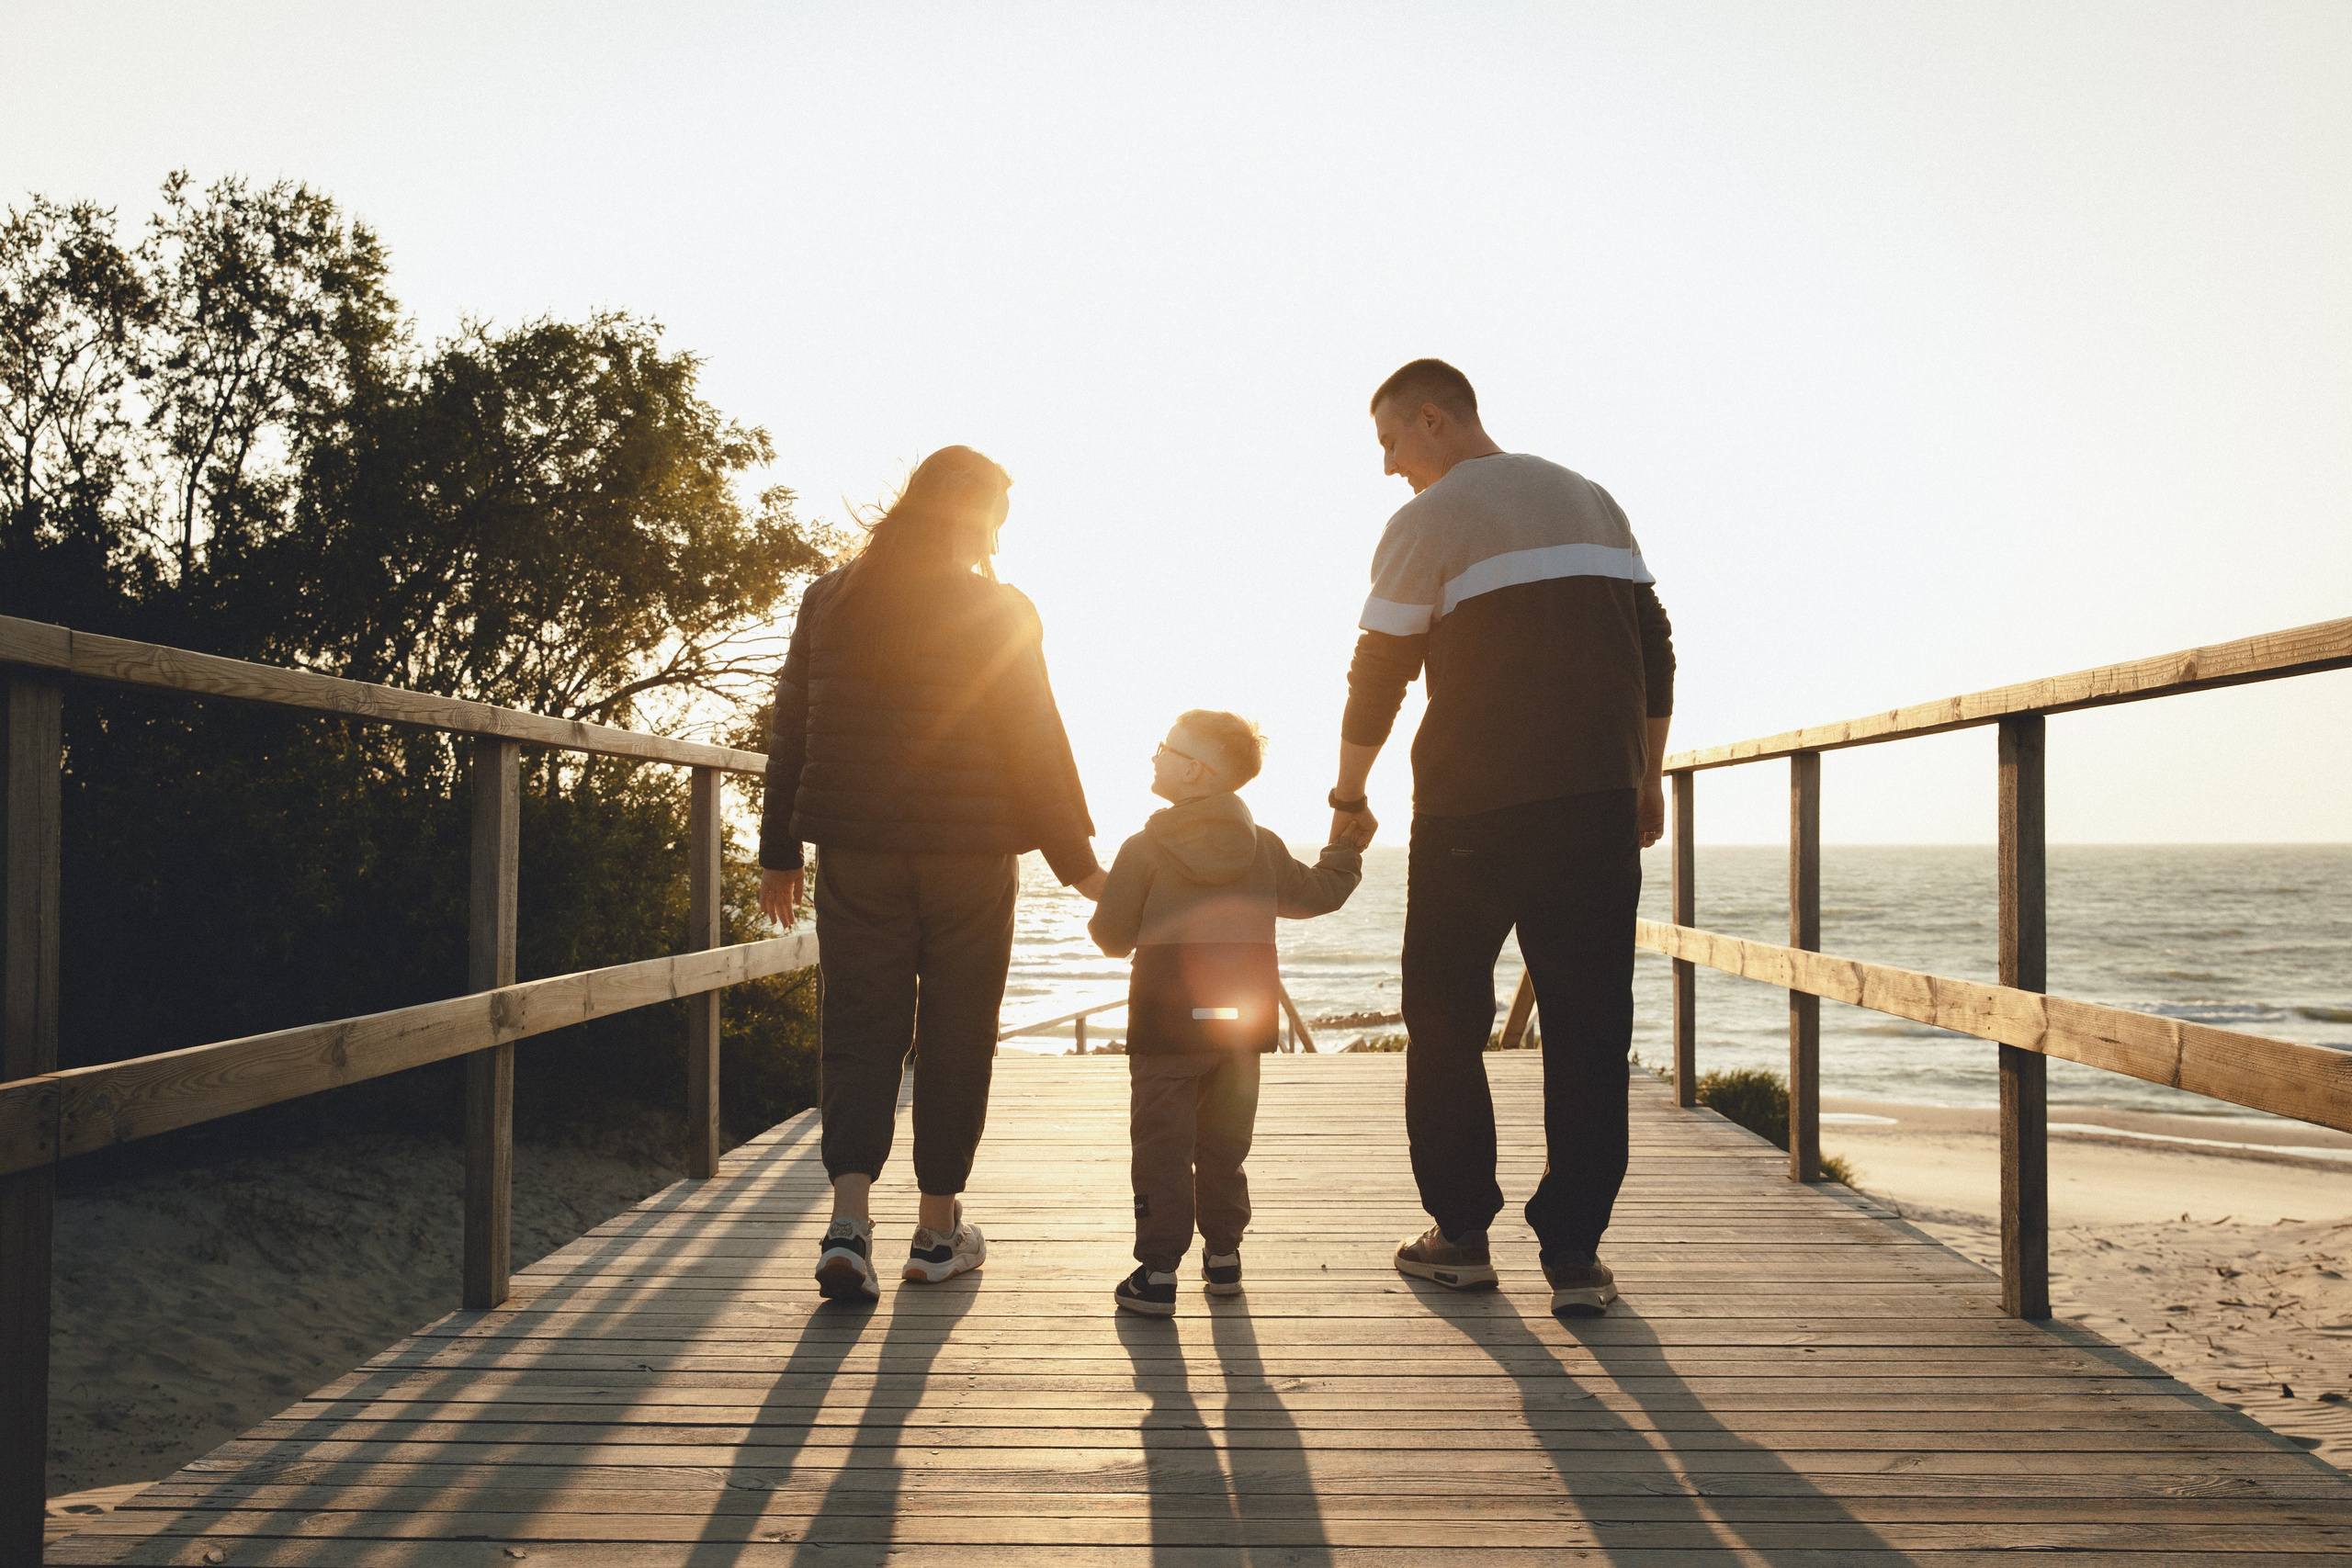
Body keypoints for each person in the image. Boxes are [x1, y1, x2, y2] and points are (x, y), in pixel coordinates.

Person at [1329, 360, 1675, 1317]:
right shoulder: (1591, 499)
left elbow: (1379, 669)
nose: (1390, 467)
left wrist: (1347, 794)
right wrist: (1644, 775)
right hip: (1597, 803)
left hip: (1471, 811)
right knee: (1591, 1024)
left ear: (1432, 420)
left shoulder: (1427, 519)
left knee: (1442, 1018)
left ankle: (1461, 1237)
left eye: (1391, 443)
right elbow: (1654, 649)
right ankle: (1573, 1252)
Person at [758, 446, 1104, 1303]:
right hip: (967, 853)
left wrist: (778, 851)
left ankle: (848, 1222)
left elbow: (789, 724)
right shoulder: (998, 607)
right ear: (978, 516)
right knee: (958, 1033)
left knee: (859, 1026)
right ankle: (937, 1232)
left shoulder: (830, 598)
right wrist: (1081, 867)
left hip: (856, 849)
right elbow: (1036, 738)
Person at [1087, 710, 1361, 1315]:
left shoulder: (1143, 848)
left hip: (1166, 1026)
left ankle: (1158, 1273)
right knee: (1224, 1144)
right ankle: (1224, 1256)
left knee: (1161, 1146)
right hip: (1241, 1025)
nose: (1154, 755)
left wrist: (1116, 896)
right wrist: (1345, 849)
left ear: (1195, 770)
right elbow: (1320, 892)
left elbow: (1111, 936)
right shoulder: (1263, 847)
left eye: (1165, 747)